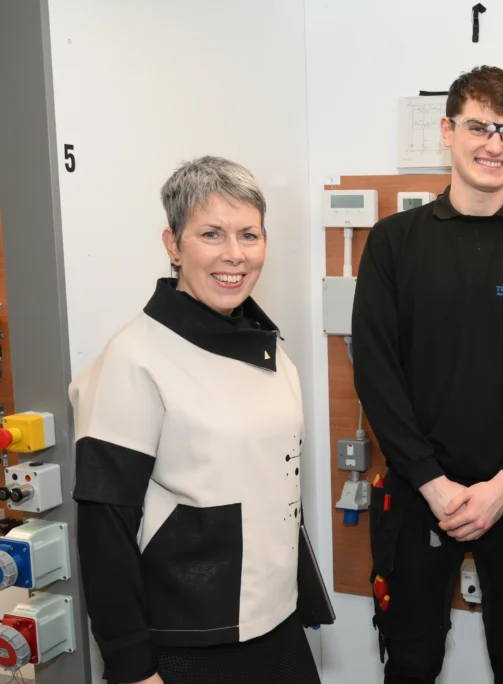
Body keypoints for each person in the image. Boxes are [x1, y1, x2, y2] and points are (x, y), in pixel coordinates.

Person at [352, 65, 503, 684]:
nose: (495, 144)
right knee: (411, 661)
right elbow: (376, 374)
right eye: (480, 126)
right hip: (417, 495)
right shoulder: (392, 243)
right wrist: (432, 483)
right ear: (447, 131)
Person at [69, 156, 321, 684]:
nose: (235, 255)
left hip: (276, 624)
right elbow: (104, 529)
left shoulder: (268, 348)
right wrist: (133, 667)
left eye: (249, 235)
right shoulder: (134, 359)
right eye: (212, 234)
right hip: (187, 643)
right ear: (173, 245)